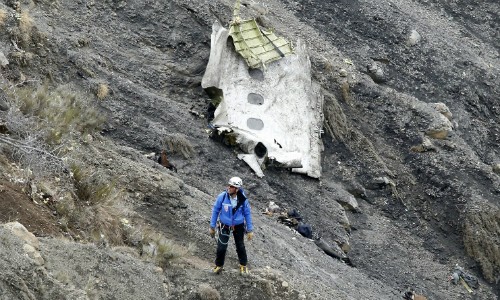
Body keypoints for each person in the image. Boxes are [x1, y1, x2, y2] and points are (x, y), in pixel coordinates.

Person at [209, 176, 254, 275]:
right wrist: (212, 226)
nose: (229, 188)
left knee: (240, 246)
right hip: (225, 225)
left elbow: (247, 213)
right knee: (221, 247)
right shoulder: (223, 197)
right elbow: (215, 210)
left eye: (232, 186)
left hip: (238, 226)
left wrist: (250, 229)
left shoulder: (243, 199)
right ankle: (219, 266)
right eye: (229, 185)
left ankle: (243, 265)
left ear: (237, 189)